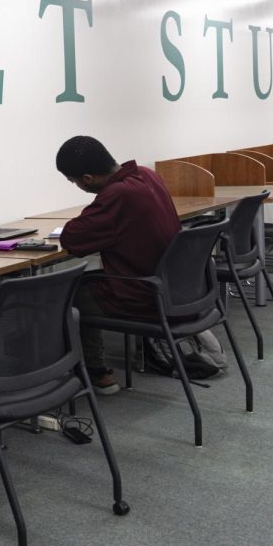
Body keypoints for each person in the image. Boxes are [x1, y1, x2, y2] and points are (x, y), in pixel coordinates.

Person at [54, 136, 180, 394]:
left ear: (88, 178)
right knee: (85, 284)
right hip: (172, 286)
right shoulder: (146, 175)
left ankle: (96, 373)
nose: (77, 185)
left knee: (68, 296)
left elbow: (72, 239)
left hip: (142, 294)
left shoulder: (117, 194)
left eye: (74, 181)